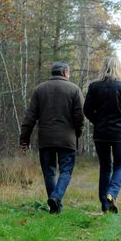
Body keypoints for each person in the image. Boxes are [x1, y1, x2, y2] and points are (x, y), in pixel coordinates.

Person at [20, 62, 84, 214]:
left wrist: (24, 139)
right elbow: (80, 116)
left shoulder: (39, 90)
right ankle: (56, 198)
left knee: (49, 172)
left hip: (46, 139)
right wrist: (78, 132)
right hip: (67, 139)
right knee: (66, 171)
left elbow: (30, 117)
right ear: (65, 73)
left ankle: (54, 207)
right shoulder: (74, 89)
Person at [84, 56, 121, 213]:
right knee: (120, 166)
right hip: (120, 133)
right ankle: (112, 193)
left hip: (101, 133)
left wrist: (97, 122)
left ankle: (105, 205)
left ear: (104, 68)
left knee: (105, 168)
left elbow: (87, 110)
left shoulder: (94, 87)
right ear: (118, 68)